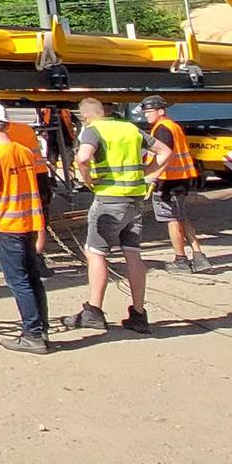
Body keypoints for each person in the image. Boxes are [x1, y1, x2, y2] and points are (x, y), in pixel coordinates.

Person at [69, 97, 158, 333]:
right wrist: (145, 173)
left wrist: (86, 178)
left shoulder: (92, 130)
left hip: (108, 198)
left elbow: (83, 157)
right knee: (133, 254)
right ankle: (139, 314)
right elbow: (165, 151)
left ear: (84, 116)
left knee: (95, 252)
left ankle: (94, 311)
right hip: (135, 199)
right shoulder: (130, 127)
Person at [0, 101, 52, 355]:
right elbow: (34, 191)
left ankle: (32, 334)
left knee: (19, 282)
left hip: (7, 226)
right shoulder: (23, 151)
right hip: (28, 224)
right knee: (32, 278)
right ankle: (41, 328)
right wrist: (40, 228)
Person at [139, 95, 210, 273]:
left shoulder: (162, 129)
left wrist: (151, 176)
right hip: (181, 178)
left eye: (149, 111)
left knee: (172, 220)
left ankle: (181, 259)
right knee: (180, 216)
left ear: (160, 111)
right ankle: (198, 255)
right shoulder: (172, 126)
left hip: (168, 181)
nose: (146, 115)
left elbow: (164, 155)